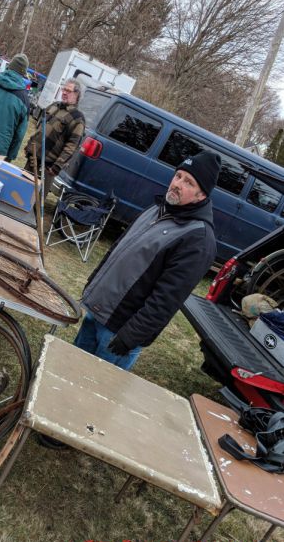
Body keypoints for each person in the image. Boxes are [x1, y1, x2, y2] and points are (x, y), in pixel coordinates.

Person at [74, 151, 222, 370]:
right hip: (98, 312)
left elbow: (167, 299)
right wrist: (92, 286)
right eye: (178, 176)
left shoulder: (198, 239)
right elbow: (117, 250)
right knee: (69, 368)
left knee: (92, 390)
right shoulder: (157, 209)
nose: (178, 184)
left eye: (189, 182)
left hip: (119, 331)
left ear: (202, 195)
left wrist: (131, 336)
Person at [24, 78, 85, 198]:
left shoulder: (78, 119)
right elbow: (40, 129)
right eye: (64, 89)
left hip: (48, 167)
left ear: (77, 94)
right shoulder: (54, 106)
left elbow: (71, 147)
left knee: (36, 200)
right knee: (21, 191)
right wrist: (29, 146)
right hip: (33, 158)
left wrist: (56, 167)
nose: (64, 92)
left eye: (68, 90)